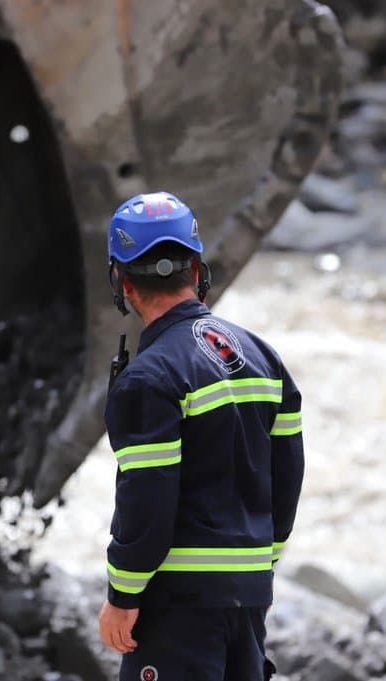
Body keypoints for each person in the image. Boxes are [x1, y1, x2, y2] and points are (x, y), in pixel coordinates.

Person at [98, 191, 305, 681]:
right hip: (248, 594)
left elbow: (147, 499)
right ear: (197, 270)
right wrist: (258, 565)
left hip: (178, 606)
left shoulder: (149, 378)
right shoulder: (262, 357)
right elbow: (288, 477)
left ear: (121, 281)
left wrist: (123, 595)